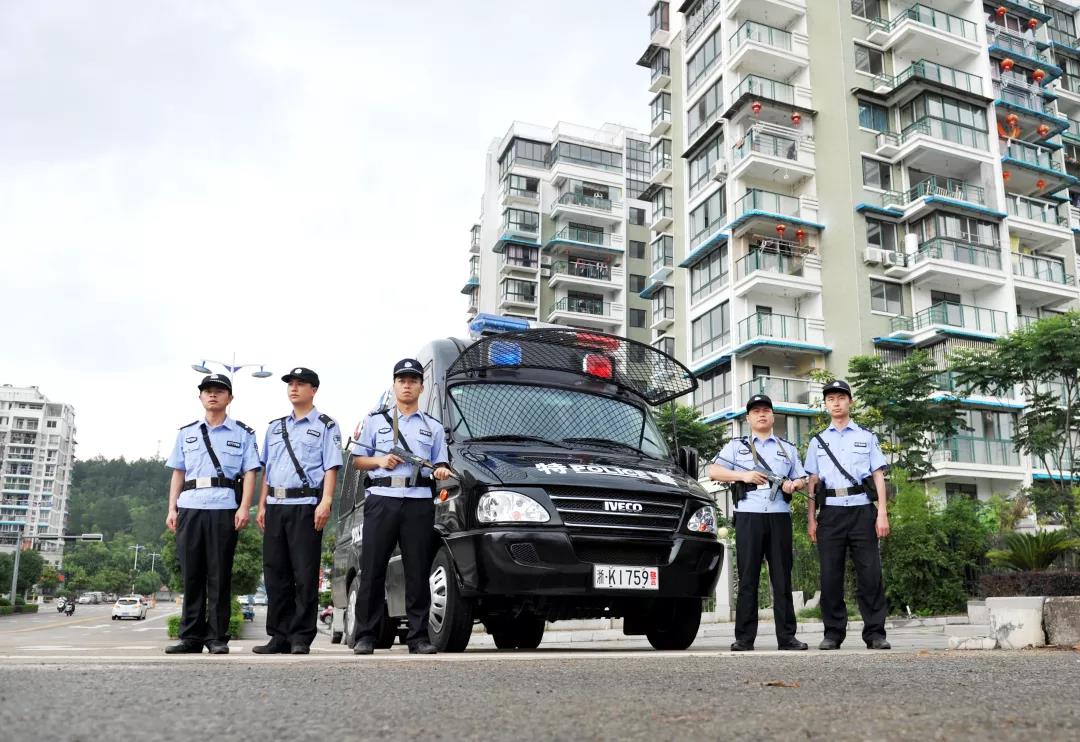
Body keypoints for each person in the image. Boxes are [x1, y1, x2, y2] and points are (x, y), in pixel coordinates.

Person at [350, 358, 452, 655]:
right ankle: (366, 635)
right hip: (382, 499)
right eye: (401, 380)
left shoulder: (432, 427)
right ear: (394, 385)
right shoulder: (375, 421)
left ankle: (418, 637)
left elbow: (440, 463)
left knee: (417, 570)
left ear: (421, 386)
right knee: (372, 569)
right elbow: (357, 460)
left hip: (418, 502)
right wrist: (381, 461)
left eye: (412, 380)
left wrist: (441, 471)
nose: (407, 385)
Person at [164, 374, 261, 654]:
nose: (213, 395)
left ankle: (217, 637)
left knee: (219, 574)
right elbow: (178, 472)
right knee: (192, 574)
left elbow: (251, 472)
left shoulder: (243, 433)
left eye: (219, 391)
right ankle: (191, 637)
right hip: (191, 506)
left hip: (224, 507)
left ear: (230, 398)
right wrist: (172, 508)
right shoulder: (187, 432)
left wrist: (244, 507)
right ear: (200, 397)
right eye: (207, 391)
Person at [253, 367, 343, 655]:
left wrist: (326, 501)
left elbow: (331, 466)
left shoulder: (326, 426)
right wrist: (262, 503)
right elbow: (266, 469)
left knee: (304, 574)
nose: (293, 388)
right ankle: (278, 635)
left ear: (313, 389)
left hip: (306, 506)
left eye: (300, 384)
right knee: (275, 574)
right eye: (290, 384)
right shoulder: (275, 427)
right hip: (276, 506)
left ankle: (301, 636)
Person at [708, 394, 808, 652]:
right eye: (756, 411)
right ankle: (744, 638)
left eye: (766, 410)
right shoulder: (736, 446)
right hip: (749, 516)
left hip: (778, 516)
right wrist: (744, 475)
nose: (761, 414)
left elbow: (802, 478)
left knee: (782, 579)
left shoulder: (787, 448)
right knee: (748, 578)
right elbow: (713, 471)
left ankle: (787, 638)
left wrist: (794, 483)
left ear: (773, 416)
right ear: (748, 418)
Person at [804, 379, 891, 651]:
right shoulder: (817, 441)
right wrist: (811, 518)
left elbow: (878, 476)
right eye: (831, 399)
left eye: (841, 397)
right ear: (826, 404)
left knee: (870, 574)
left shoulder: (866, 436)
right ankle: (833, 633)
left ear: (850, 402)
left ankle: (875, 633)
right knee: (830, 576)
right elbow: (812, 483)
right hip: (830, 513)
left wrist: (882, 514)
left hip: (862, 509)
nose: (836, 402)